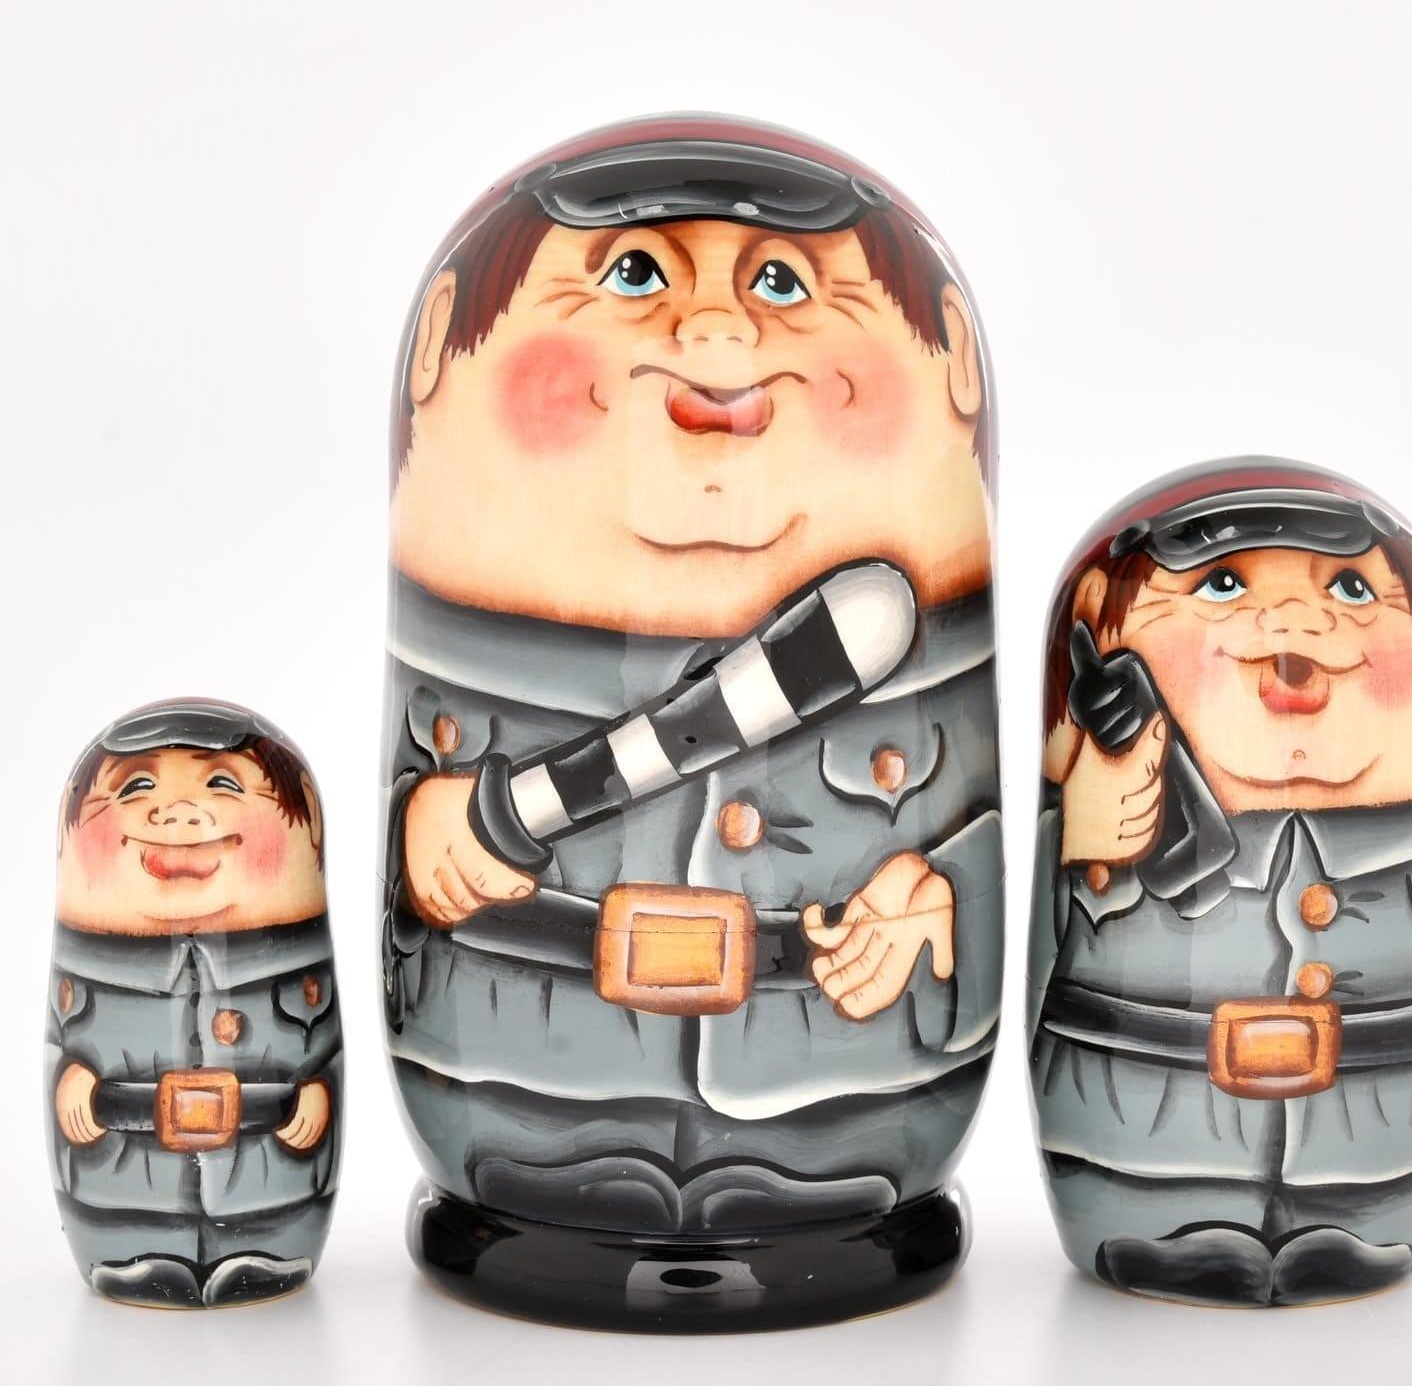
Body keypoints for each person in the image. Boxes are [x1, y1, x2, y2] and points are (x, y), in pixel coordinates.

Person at [381, 116, 1003, 1320]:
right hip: (526, 1108)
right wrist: (421, 836)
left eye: (785, 284)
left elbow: (972, 820)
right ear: (441, 363)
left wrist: (940, 895)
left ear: (955, 379)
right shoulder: (473, 612)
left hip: (844, 1124)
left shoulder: (904, 622)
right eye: (632, 274)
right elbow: (407, 837)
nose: (717, 333)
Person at [1028, 460, 1412, 1305]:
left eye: (1352, 589)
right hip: (1140, 1151)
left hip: (1378, 1157)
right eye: (1223, 583)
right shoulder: (1105, 803)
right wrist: (1085, 827)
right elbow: (1048, 948)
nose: (1295, 620)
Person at [48, 700, 341, 1307]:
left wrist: (315, 1092)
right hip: (122, 1184)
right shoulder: (91, 966)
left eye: (224, 784)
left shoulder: (295, 962)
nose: (178, 813)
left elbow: (321, 1048)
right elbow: (64, 1040)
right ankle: (129, 1249)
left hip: (269, 1184)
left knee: (271, 1216)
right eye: (136, 785)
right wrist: (73, 1080)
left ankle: (265, 1246)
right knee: (125, 1222)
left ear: (306, 830)